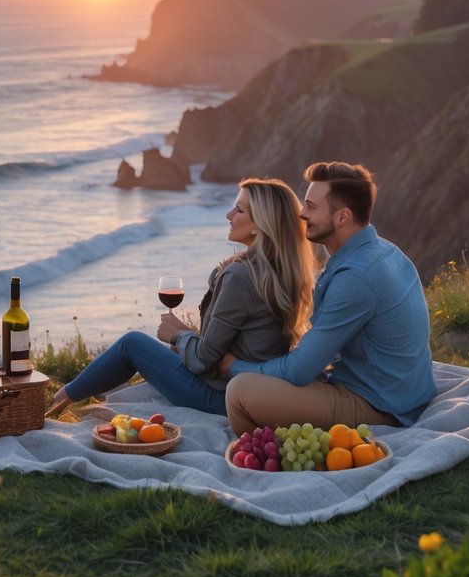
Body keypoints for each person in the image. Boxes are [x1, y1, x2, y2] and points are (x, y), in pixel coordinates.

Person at [47, 178, 314, 417]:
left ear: (261, 225)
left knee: (132, 344)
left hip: (219, 396)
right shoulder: (284, 271)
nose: (228, 214)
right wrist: (221, 274)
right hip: (251, 391)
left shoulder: (241, 276)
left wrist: (179, 334)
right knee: (146, 352)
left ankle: (57, 402)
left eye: (239, 210)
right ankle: (68, 398)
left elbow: (204, 359)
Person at [221, 161, 437, 434]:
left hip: (381, 406)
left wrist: (233, 366)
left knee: (239, 391)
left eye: (311, 207)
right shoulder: (386, 251)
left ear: (342, 217)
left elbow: (300, 370)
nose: (301, 213)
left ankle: (265, 457)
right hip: (404, 393)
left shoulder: (355, 278)